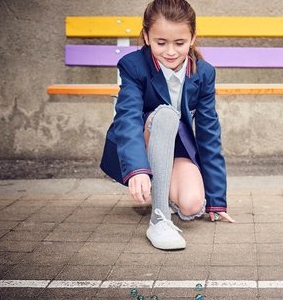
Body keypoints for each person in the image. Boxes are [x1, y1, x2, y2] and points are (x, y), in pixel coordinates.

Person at [100, 0, 235, 251]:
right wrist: (138, 169)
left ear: (192, 38)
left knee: (192, 205)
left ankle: (169, 194)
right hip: (144, 139)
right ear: (146, 37)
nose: (170, 51)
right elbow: (127, 118)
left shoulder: (203, 73)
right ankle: (159, 218)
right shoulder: (133, 66)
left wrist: (217, 201)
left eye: (180, 43)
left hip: (177, 148)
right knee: (164, 115)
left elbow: (208, 133)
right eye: (161, 42)